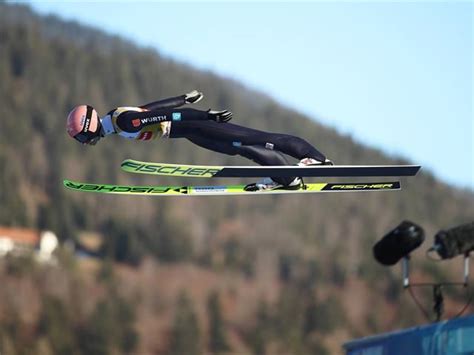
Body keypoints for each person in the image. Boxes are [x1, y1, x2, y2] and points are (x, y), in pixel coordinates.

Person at [66, 90, 333, 191]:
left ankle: (317, 159)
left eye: (81, 136)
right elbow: (152, 108)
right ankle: (286, 178)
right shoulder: (115, 118)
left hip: (192, 124)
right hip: (191, 131)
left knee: (261, 139)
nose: (84, 141)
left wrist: (205, 115)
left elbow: (169, 115)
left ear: (88, 128)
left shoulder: (124, 122)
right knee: (242, 148)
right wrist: (183, 97)